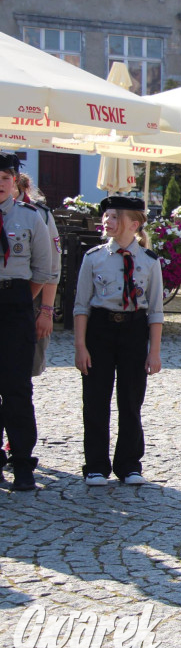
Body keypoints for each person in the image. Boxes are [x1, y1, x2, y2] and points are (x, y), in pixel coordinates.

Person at [73, 196, 163, 487]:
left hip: (133, 331)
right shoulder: (94, 257)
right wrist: (80, 346)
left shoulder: (149, 262)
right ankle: (96, 465)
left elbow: (156, 311)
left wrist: (155, 352)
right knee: (96, 398)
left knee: (131, 399)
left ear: (133, 224)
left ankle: (129, 464)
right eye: (106, 216)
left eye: (114, 217)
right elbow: (81, 306)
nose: (107, 222)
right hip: (100, 329)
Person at [0, 152, 56, 490]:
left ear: (14, 183)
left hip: (15, 304)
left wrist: (21, 298)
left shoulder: (31, 217)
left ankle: (22, 461)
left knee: (17, 387)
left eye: (4, 179)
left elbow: (44, 270)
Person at [15, 173, 61, 378]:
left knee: (26, 367)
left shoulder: (39, 214)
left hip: (32, 299)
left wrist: (46, 312)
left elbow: (52, 267)